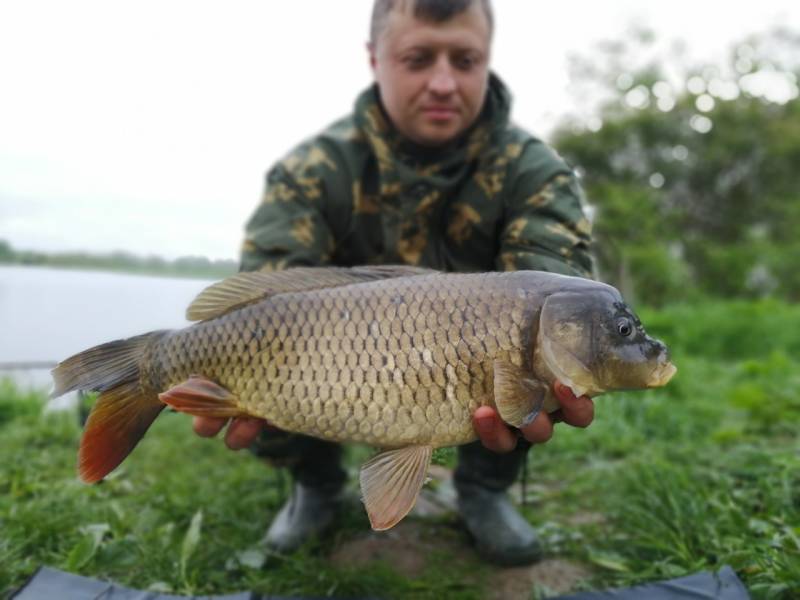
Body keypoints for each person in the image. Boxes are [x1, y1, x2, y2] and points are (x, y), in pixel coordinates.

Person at [193, 0, 595, 567]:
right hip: (328, 370)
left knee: (532, 374)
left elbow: (564, 288)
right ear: (374, 58)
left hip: (467, 380)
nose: (442, 81)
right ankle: (316, 484)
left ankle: (483, 489)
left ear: (488, 60)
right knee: (258, 364)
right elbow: (266, 294)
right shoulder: (312, 169)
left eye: (465, 59)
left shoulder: (535, 171)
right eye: (417, 58)